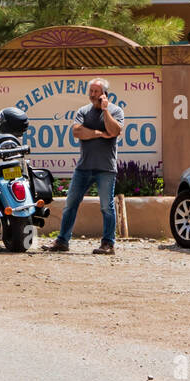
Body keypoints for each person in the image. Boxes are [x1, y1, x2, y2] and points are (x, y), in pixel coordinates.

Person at [45, 78, 123, 256]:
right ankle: (62, 241)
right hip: (84, 167)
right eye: (91, 91)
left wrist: (105, 111)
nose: (93, 95)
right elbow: (76, 131)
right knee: (70, 203)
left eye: (96, 92)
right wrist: (98, 133)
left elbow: (114, 131)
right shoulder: (83, 111)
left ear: (104, 93)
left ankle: (108, 244)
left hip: (106, 168)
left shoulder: (116, 111)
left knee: (106, 206)